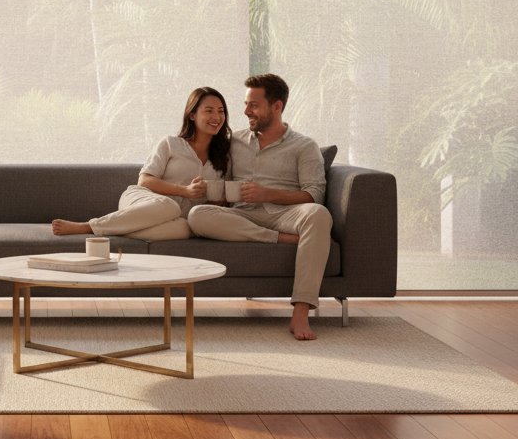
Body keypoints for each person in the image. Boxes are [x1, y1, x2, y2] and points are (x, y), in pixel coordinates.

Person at [187, 74, 332, 341]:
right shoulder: (234, 141)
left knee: (318, 215)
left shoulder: (304, 145)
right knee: (198, 215)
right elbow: (224, 184)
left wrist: (269, 193)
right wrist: (216, 196)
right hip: (242, 215)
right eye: (245, 104)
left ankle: (301, 311)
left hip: (284, 214)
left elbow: (315, 194)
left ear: (276, 107)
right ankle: (280, 241)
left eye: (253, 105)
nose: (245, 111)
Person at [52, 86, 231, 241]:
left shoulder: (225, 156)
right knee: (169, 206)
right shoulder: (171, 144)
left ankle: (120, 228)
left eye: (221, 111)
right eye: (209, 110)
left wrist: (220, 202)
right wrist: (184, 191)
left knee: (186, 229)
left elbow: (226, 195)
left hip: (176, 219)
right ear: (192, 115)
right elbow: (145, 181)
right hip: (143, 200)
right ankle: (88, 227)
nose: (216, 116)